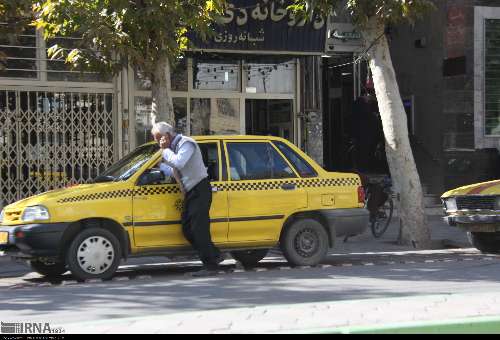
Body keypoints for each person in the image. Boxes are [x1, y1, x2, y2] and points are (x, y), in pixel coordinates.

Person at [151, 122, 222, 277]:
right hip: (191, 192)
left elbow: (179, 162)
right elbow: (175, 170)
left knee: (199, 228)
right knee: (187, 228)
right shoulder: (174, 148)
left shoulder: (186, 143)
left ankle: (210, 265)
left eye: (159, 140)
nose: (158, 143)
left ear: (167, 136)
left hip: (200, 189)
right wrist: (159, 167)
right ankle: (214, 254)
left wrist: (164, 150)